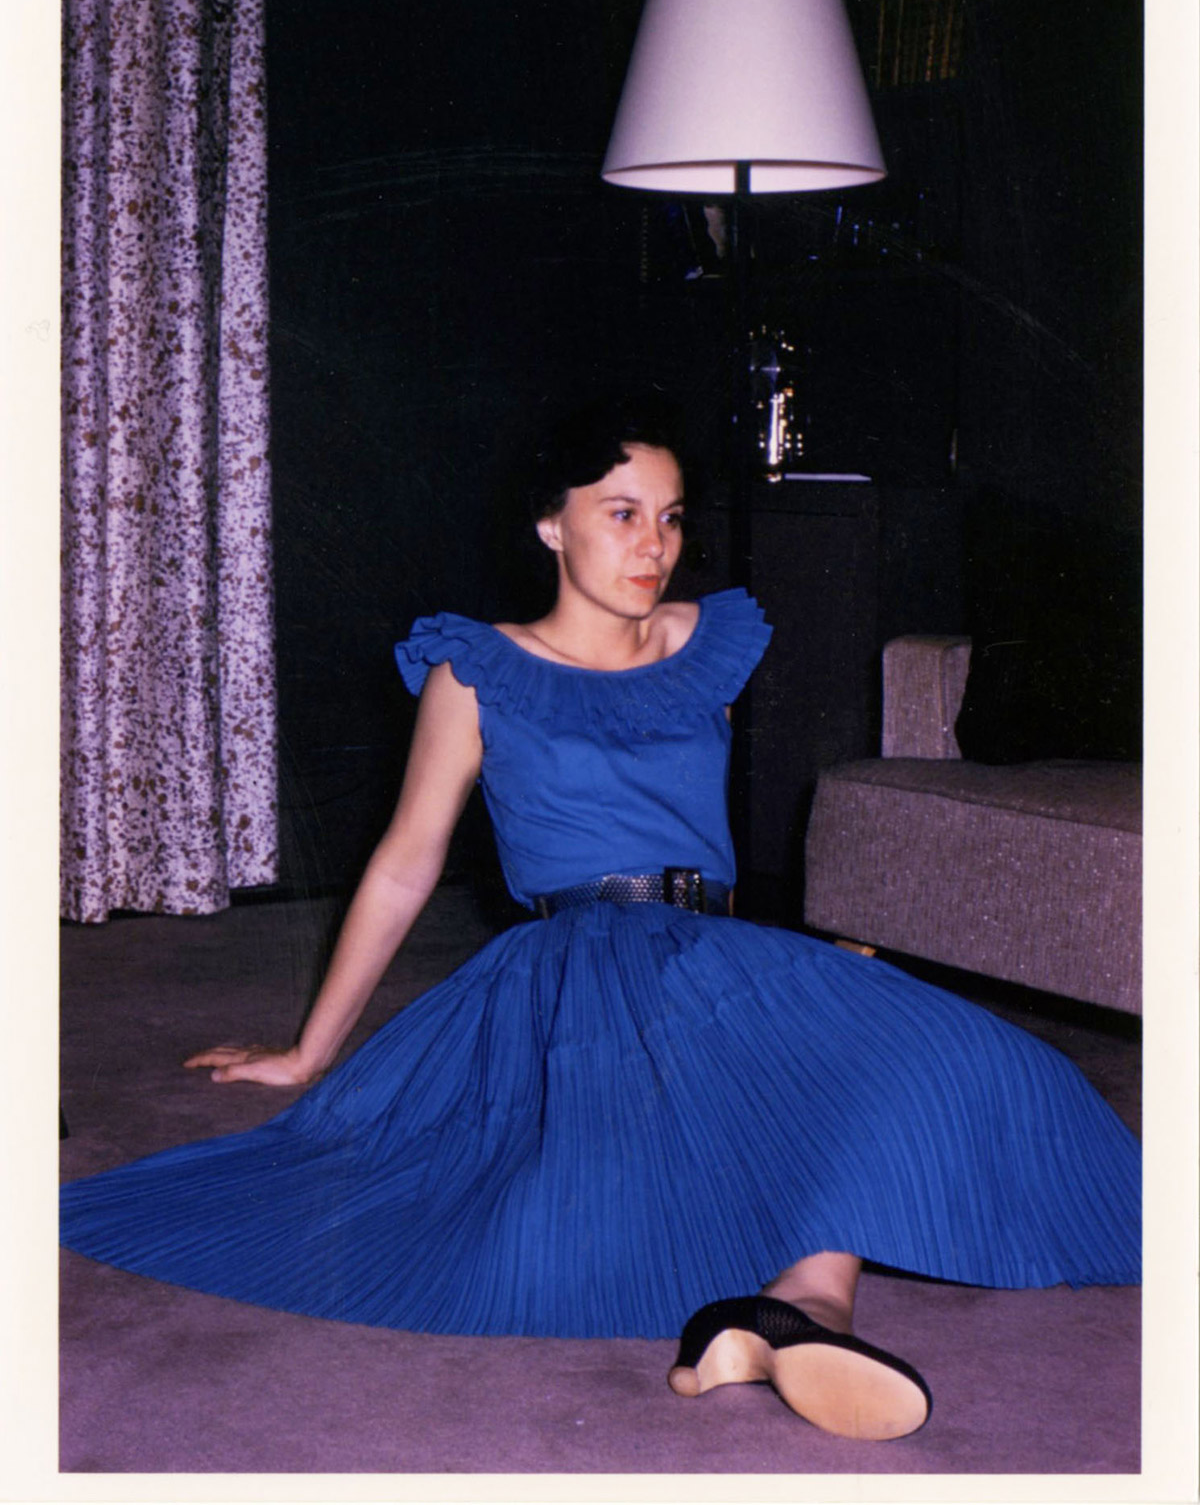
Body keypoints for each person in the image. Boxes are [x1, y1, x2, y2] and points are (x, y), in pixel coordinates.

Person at [61, 400, 1140, 1443]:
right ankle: (806, 1303)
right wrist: (309, 1051)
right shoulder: (477, 670)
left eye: (670, 517)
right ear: (551, 525)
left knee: (978, 1061)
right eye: (621, 513)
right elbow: (404, 863)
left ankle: (793, 1311)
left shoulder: (707, 642)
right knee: (628, 1168)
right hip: (575, 964)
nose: (654, 544)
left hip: (720, 951)